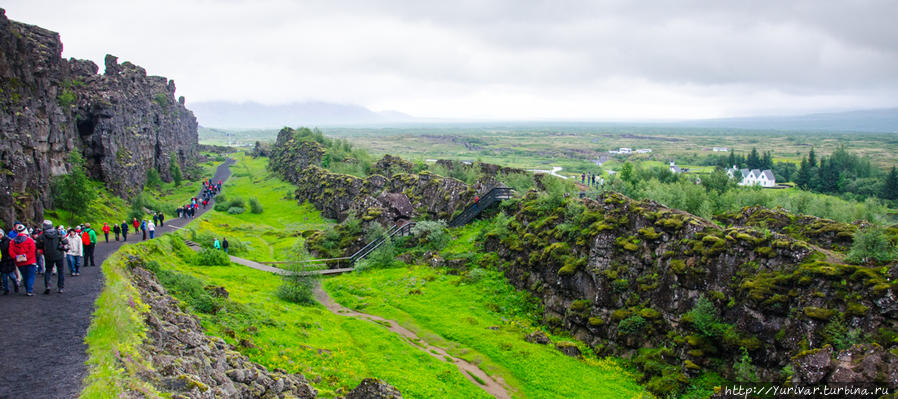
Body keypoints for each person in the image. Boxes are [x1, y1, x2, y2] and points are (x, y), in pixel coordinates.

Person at [36, 220, 65, 294]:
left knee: (48, 270)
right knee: (60, 271)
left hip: (48, 255)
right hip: (59, 254)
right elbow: (65, 241)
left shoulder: (42, 236)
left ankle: (48, 285)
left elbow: (38, 245)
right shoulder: (58, 233)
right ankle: (60, 287)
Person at [9, 224, 37, 296]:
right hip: (30, 262)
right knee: (30, 276)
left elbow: (11, 252)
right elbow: (32, 251)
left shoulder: (12, 241)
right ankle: (29, 290)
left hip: (19, 263)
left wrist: (17, 257)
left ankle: (27, 289)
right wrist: (25, 257)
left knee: (24, 276)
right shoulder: (30, 240)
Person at [0, 229, 17, 295]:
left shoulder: (9, 241)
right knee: (4, 277)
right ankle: (6, 289)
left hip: (9, 260)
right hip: (2, 261)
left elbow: (12, 250)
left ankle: (15, 284)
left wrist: (10, 257)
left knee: (12, 276)